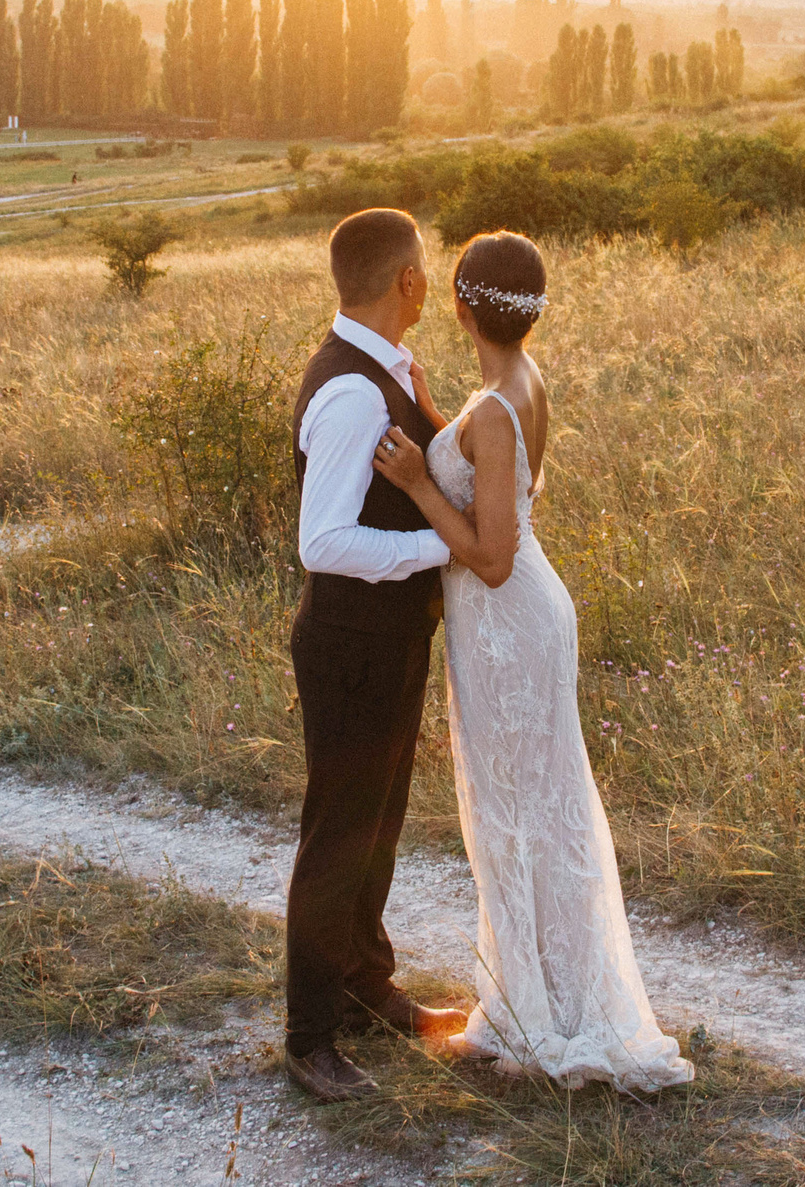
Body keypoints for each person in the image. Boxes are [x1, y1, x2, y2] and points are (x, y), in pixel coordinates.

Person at [371, 230, 693, 1093]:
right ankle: (540, 987)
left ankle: (546, 1009)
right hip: (526, 618)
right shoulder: (517, 385)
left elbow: (490, 552)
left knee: (518, 810)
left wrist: (414, 482)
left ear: (462, 306)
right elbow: (495, 473)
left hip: (506, 617)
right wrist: (443, 422)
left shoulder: (496, 410)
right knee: (538, 806)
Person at [282, 208, 470, 1103]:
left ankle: (365, 983)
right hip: (349, 644)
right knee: (338, 836)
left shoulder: (387, 368)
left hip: (388, 637)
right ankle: (309, 1035)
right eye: (425, 269)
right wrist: (441, 549)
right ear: (407, 282)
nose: (429, 282)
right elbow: (323, 540)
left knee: (380, 824)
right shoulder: (354, 390)